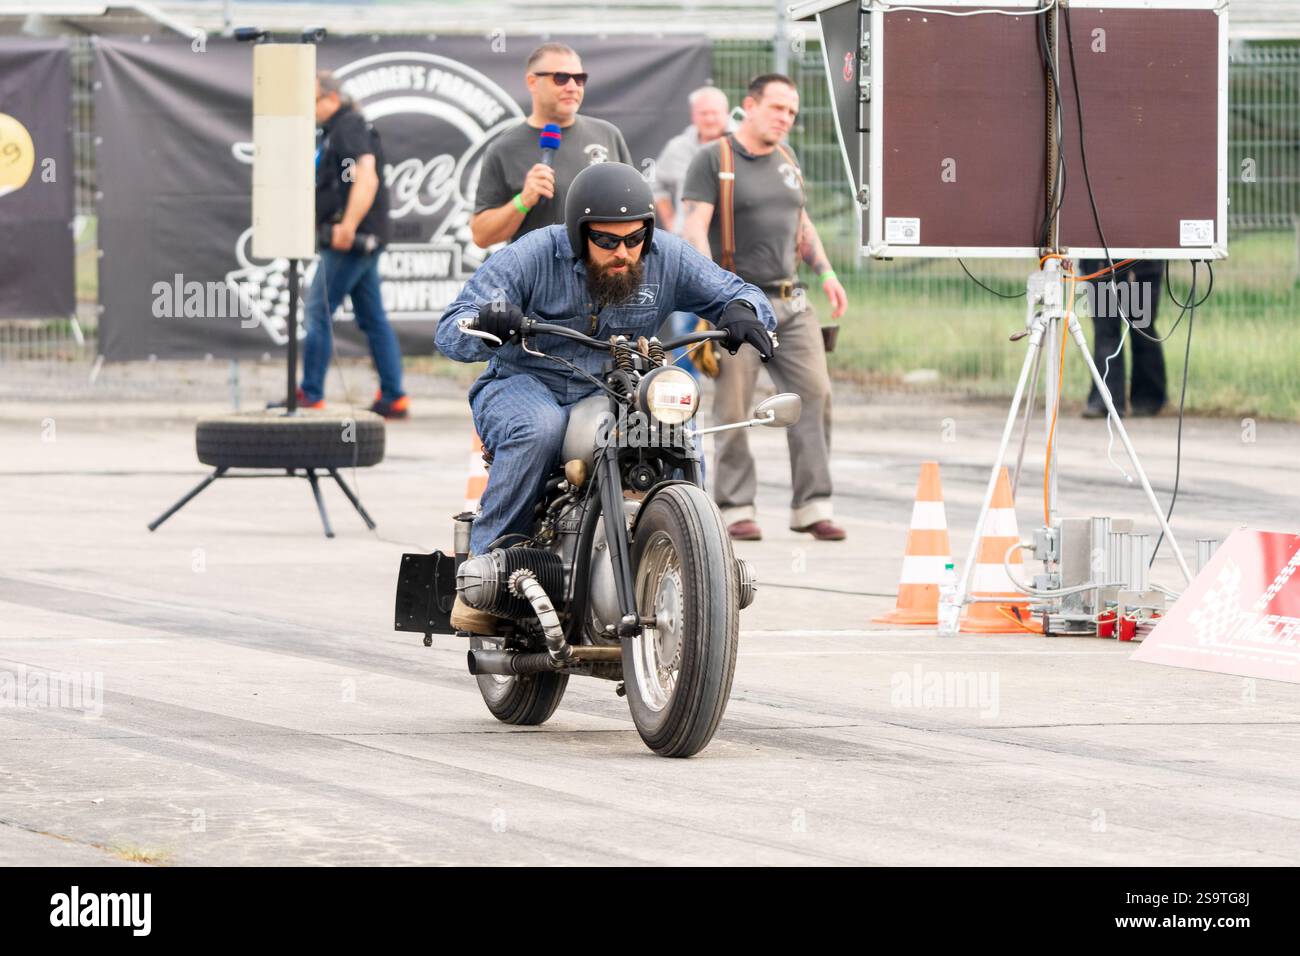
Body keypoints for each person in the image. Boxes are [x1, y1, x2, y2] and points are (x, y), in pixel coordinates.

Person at [436, 162, 776, 634]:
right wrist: (487, 322)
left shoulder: (667, 258)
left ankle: (702, 564)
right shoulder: (534, 254)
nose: (624, 253)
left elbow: (739, 294)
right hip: (527, 381)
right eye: (608, 241)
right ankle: (485, 574)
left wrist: (744, 312)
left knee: (676, 427)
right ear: (579, 236)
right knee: (540, 431)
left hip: (620, 385)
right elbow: (453, 324)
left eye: (634, 240)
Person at [680, 73, 850, 542]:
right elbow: (695, 230)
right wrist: (716, 298)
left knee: (815, 395)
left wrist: (828, 272)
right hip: (741, 303)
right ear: (750, 106)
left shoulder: (786, 159)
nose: (786, 118)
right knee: (734, 406)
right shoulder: (714, 159)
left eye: (792, 112)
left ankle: (812, 505)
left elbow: (801, 222)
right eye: (777, 108)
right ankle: (736, 507)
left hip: (793, 300)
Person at [289, 71, 408, 419]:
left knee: (316, 311)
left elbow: (365, 176)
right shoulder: (334, 131)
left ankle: (310, 393)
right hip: (357, 239)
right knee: (372, 318)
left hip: (351, 240)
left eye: (311, 101)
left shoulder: (349, 125)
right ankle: (393, 396)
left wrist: (347, 225)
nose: (308, 110)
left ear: (331, 99)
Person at [471, 43, 632, 247]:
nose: (572, 87)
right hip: (537, 275)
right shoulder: (504, 148)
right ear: (532, 82)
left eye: (579, 79)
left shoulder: (608, 134)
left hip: (599, 275)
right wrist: (523, 201)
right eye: (561, 78)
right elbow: (481, 236)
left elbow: (635, 210)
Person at [652, 86, 733, 378]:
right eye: (704, 113)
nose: (710, 119)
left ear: (726, 114)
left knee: (735, 328)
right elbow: (657, 185)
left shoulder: (741, 144)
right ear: (693, 115)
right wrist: (672, 218)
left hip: (732, 253)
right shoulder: (678, 148)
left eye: (715, 113)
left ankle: (733, 405)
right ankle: (684, 401)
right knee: (687, 331)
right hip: (688, 253)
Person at [1080, 258, 1167, 418]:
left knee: (1142, 326)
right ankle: (1105, 400)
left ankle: (1147, 398)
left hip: (1143, 256)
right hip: (1100, 259)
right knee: (1105, 330)